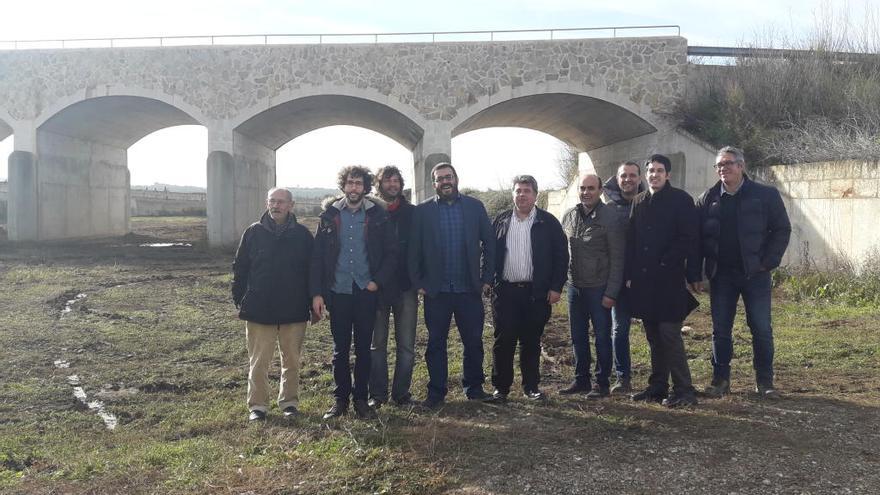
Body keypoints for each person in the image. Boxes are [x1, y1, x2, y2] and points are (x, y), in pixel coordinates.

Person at [692, 146, 791, 399]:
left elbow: (781, 229)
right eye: (719, 166)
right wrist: (695, 273)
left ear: (741, 166)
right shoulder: (708, 198)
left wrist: (768, 262)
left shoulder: (765, 195)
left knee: (761, 328)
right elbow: (696, 239)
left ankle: (764, 382)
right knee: (720, 329)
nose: (723, 169)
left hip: (755, 275)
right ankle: (721, 380)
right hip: (721, 275)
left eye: (728, 163)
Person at [310, 165, 397, 420]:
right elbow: (317, 257)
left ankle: (361, 400)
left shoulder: (378, 215)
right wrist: (317, 293)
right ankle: (340, 401)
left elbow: (392, 254)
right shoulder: (329, 216)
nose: (354, 188)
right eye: (350, 183)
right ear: (343, 186)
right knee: (340, 350)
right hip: (338, 292)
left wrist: (377, 282)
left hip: (365, 291)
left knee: (363, 349)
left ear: (366, 187)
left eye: (359, 183)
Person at [409, 162, 496, 409]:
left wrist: (487, 278)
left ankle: (475, 388)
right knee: (436, 343)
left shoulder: (474, 207)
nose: (445, 181)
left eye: (448, 177)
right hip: (436, 291)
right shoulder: (423, 211)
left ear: (456, 178)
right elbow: (413, 251)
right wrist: (418, 283)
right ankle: (436, 392)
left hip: (469, 288)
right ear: (434, 183)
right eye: (439, 179)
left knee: (473, 341)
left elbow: (490, 244)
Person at [232, 187, 314, 421]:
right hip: (259, 309)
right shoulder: (253, 232)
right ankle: (257, 406)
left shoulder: (302, 235)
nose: (275, 205)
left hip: (294, 309)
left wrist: (311, 302)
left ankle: (289, 403)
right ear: (267, 203)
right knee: (258, 361)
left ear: (291, 205)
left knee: (292, 361)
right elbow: (240, 267)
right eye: (272, 201)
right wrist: (240, 298)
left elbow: (312, 271)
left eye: (280, 202)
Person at [625, 154, 700, 408]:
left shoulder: (681, 200)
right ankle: (657, 387)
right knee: (653, 335)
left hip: (669, 281)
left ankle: (685, 390)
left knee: (669, 334)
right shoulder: (639, 201)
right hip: (645, 282)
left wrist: (666, 263)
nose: (654, 174)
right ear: (646, 175)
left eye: (659, 170)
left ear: (668, 174)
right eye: (650, 171)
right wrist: (630, 277)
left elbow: (688, 238)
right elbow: (632, 241)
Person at [490, 175, 568, 401]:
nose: (521, 194)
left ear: (535, 195)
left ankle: (531, 387)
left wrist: (556, 287)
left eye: (526, 190)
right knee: (503, 341)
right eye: (518, 190)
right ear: (512, 194)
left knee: (531, 341)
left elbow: (561, 256)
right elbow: (489, 252)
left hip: (536, 293)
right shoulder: (501, 221)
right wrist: (489, 281)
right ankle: (501, 388)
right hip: (505, 292)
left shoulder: (548, 222)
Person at [560, 173, 625, 399]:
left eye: (591, 188)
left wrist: (611, 292)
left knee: (602, 336)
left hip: (599, 288)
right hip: (575, 288)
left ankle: (602, 382)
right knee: (578, 336)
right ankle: (581, 380)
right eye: (582, 188)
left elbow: (618, 258)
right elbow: (562, 253)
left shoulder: (610, 217)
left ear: (600, 191)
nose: (586, 192)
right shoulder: (569, 216)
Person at [368, 165, 418, 408]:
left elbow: (421, 247)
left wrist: (420, 279)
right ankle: (377, 396)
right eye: (387, 181)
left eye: (396, 180)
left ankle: (401, 394)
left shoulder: (412, 213)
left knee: (406, 345)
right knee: (376, 345)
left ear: (401, 184)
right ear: (379, 185)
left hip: (406, 287)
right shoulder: (371, 212)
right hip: (377, 288)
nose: (392, 185)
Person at [602, 161, 644, 394]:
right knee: (619, 330)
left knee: (655, 329)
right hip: (619, 280)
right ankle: (623, 377)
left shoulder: (649, 204)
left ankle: (659, 379)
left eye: (632, 175)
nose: (628, 179)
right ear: (617, 180)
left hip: (646, 280)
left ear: (639, 178)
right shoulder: (608, 209)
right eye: (623, 176)